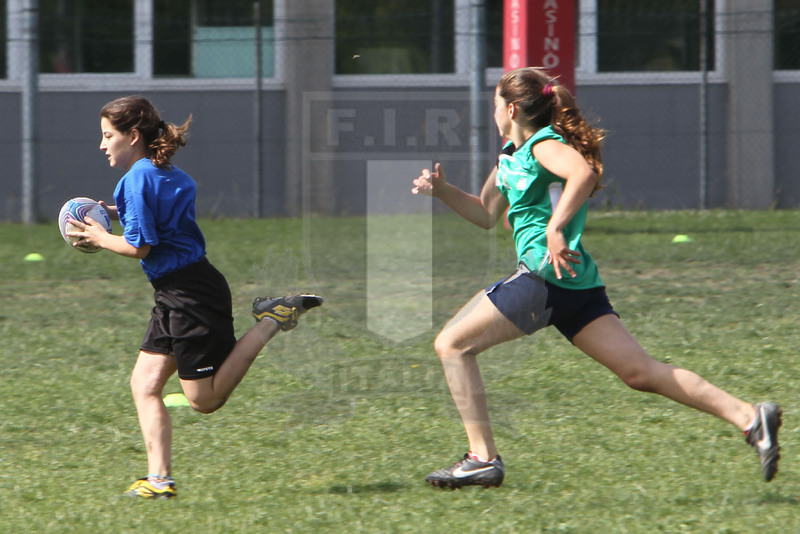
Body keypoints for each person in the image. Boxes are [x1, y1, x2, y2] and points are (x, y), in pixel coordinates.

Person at [410, 67, 782, 489]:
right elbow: (484, 213)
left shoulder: (544, 146)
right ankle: (750, 418)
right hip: (573, 283)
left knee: (452, 344)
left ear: (511, 108)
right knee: (640, 372)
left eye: (495, 104)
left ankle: (482, 458)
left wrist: (555, 228)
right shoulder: (510, 158)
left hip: (543, 277)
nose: (492, 112)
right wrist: (443, 191)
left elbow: (583, 174)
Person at [67, 95, 323, 499]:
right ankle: (159, 481)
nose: (102, 145)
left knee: (204, 400)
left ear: (132, 136)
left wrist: (100, 236)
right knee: (144, 384)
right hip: (179, 291)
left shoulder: (135, 178)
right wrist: (115, 211)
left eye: (107, 135)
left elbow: (141, 247)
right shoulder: (165, 172)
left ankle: (275, 318)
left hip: (190, 296)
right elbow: (157, 216)